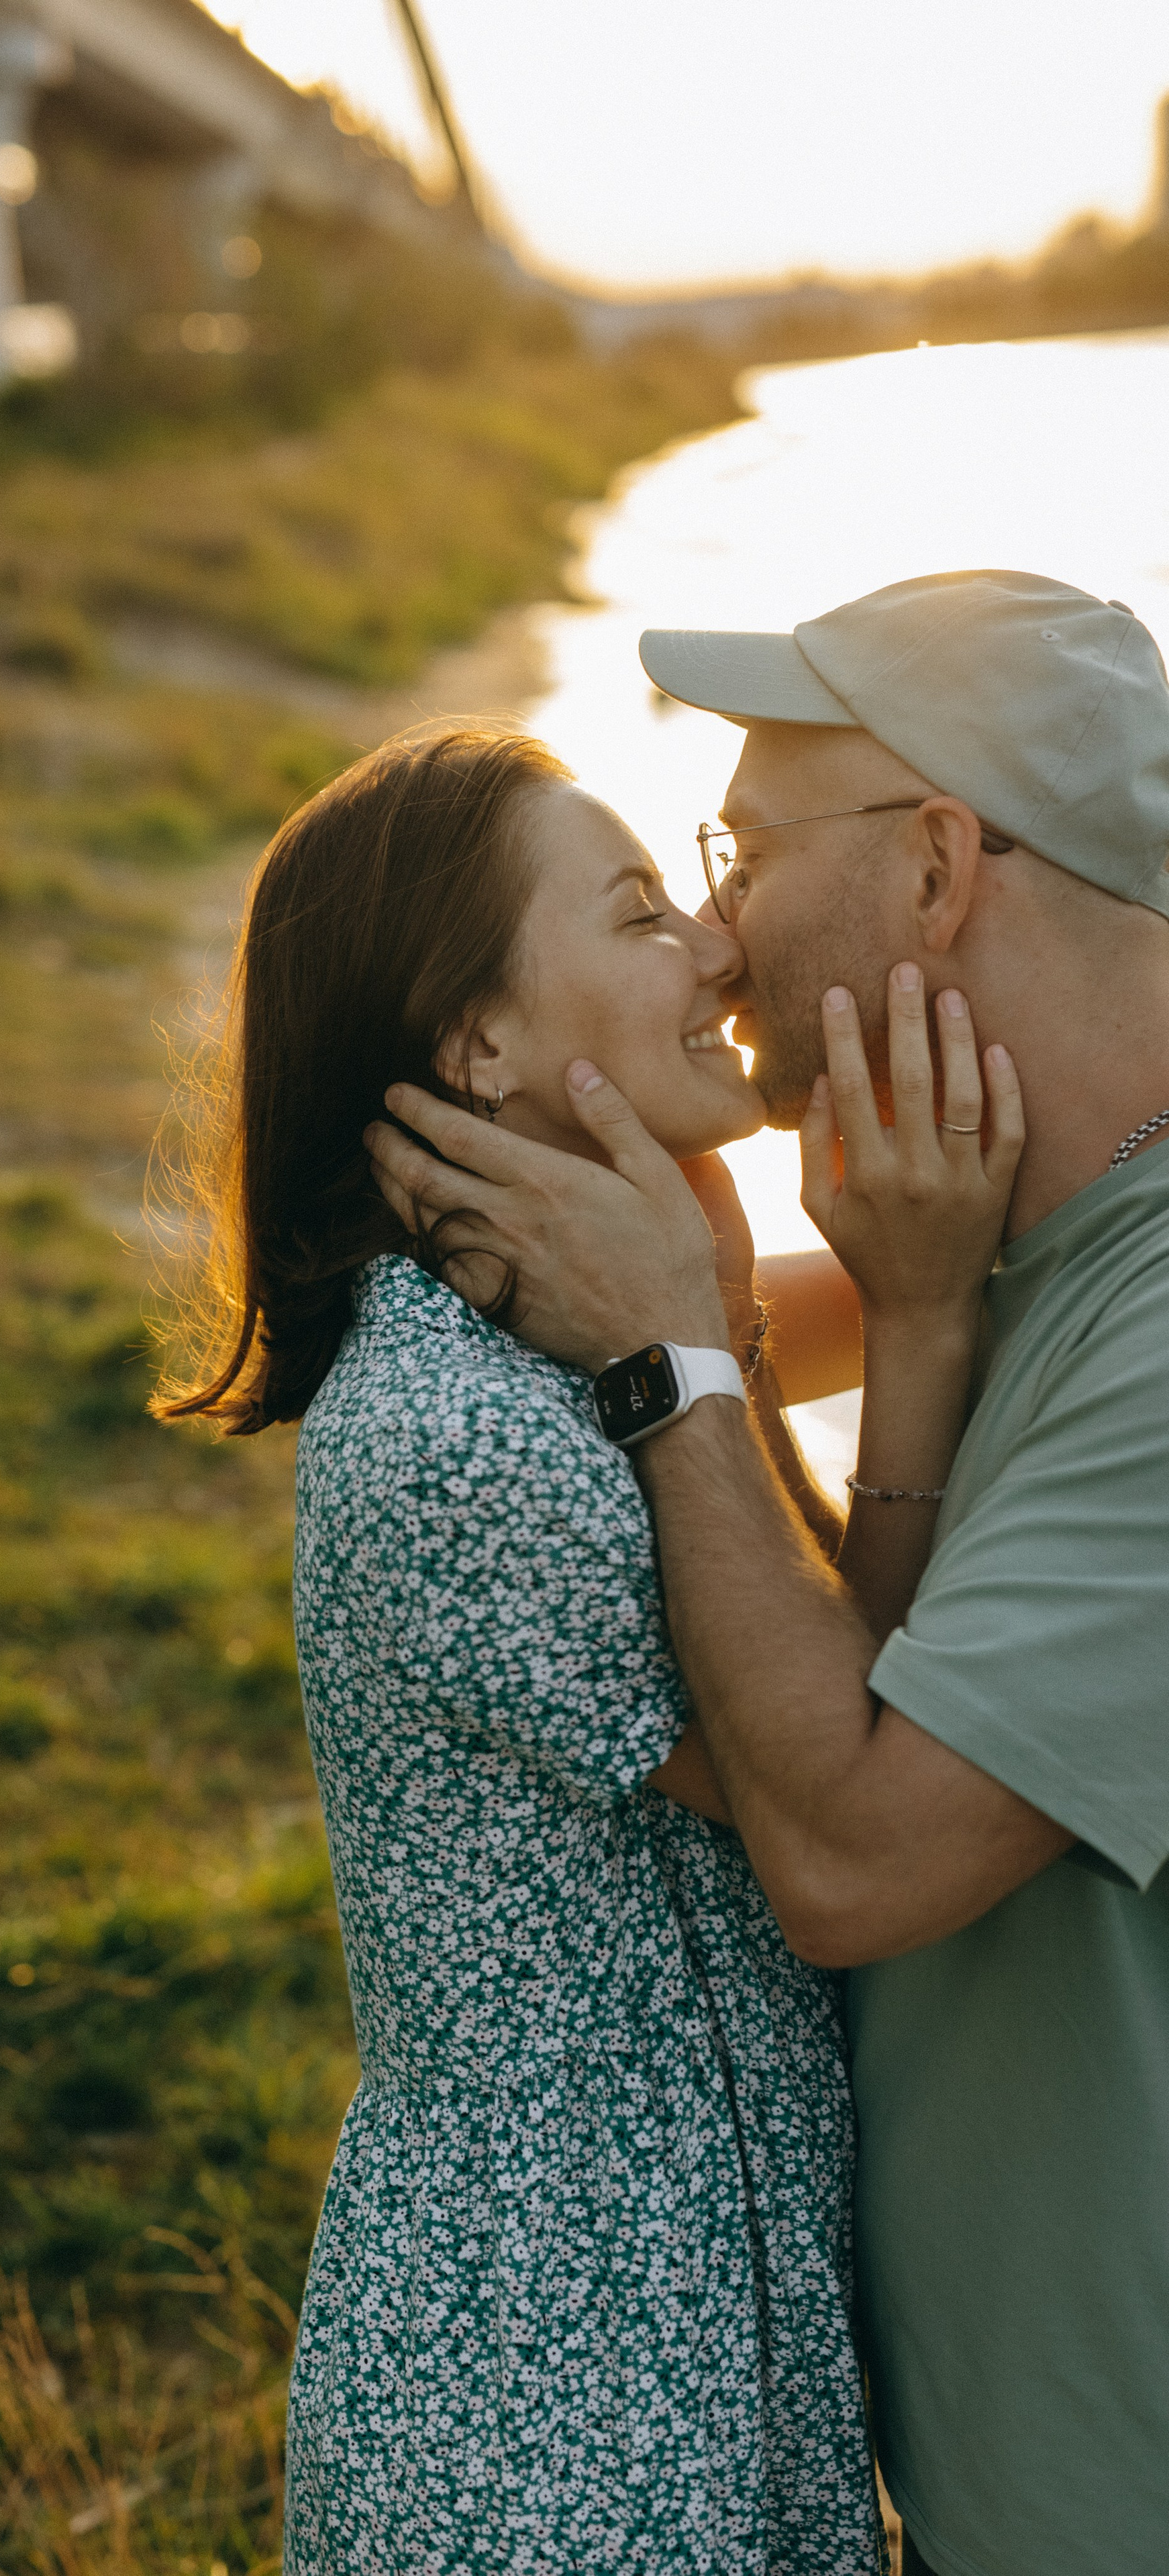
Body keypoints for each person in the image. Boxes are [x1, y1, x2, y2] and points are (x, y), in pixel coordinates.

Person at [366, 572, 1169, 2576]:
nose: (719, 932)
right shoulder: (1020, 1258)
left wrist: (674, 1363)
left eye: (735, 855)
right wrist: (836, 1317)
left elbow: (857, 1858)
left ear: (934, 869)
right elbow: (878, 1667)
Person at [154, 722, 1015, 2573]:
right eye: (637, 915)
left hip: (693, 2319)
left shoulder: (556, 1316)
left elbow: (825, 1297)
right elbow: (846, 1751)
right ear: (476, 1047)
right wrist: (932, 1323)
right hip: (560, 2399)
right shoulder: (457, 1443)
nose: (715, 945)